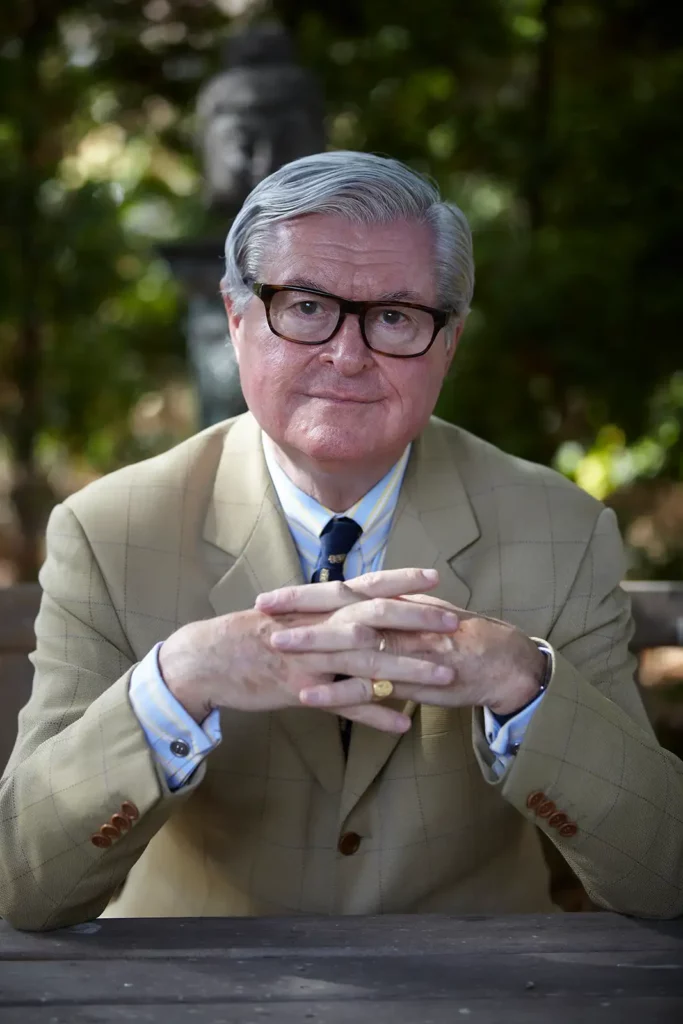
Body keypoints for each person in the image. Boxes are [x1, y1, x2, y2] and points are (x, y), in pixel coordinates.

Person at [1, 152, 682, 932]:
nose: (348, 355)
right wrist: (176, 682)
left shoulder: (558, 529)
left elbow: (663, 876)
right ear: (235, 317)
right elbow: (25, 884)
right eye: (305, 306)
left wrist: (523, 683)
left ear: (447, 343)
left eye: (394, 317)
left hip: (479, 986)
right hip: (189, 984)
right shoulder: (111, 529)